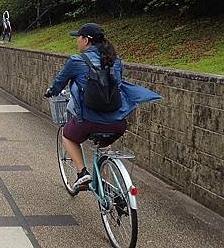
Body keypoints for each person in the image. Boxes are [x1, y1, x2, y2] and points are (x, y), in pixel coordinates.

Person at [44, 23, 161, 190]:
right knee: (105, 143)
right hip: (118, 123)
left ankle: (82, 173)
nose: (77, 41)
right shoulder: (116, 61)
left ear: (86, 40)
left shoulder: (77, 61)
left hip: (88, 121)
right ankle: (107, 185)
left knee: (68, 136)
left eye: (78, 37)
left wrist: (51, 91)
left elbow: (58, 84)